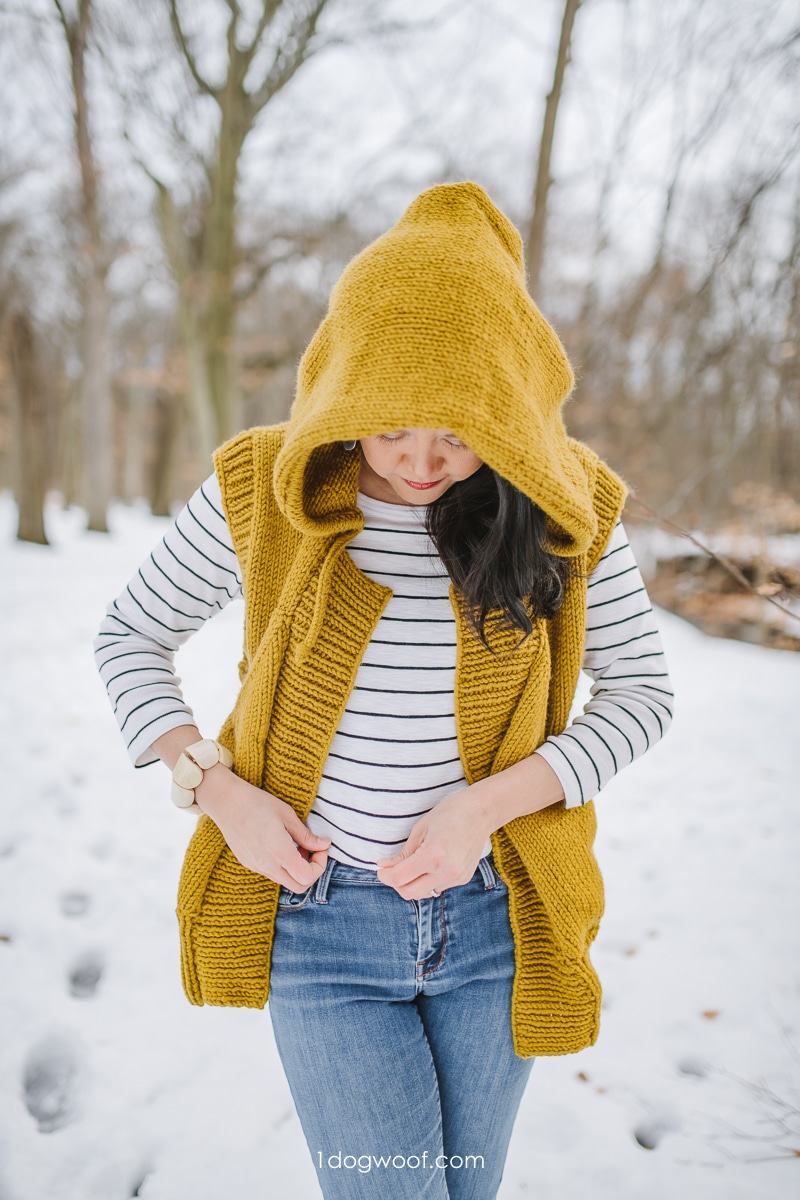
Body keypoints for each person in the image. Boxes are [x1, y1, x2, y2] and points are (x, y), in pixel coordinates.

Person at [95, 182, 674, 1200]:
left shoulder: (565, 505)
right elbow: (129, 635)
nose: (418, 459)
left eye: (456, 431)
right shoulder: (263, 489)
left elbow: (639, 694)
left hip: (497, 920)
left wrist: (478, 813)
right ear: (345, 388)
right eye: (390, 426)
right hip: (321, 926)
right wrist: (218, 794)